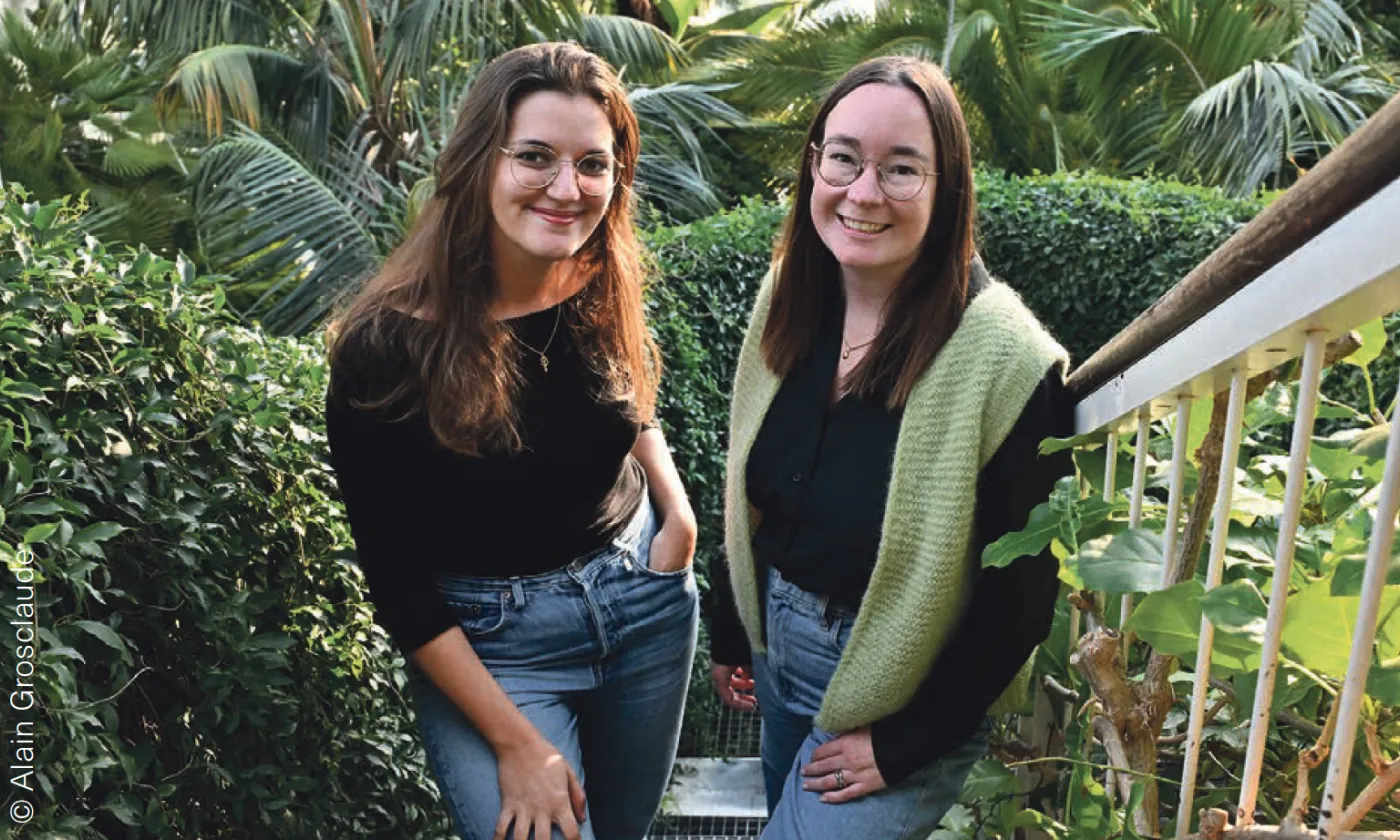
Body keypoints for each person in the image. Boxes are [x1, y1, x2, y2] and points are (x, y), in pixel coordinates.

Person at [324, 43, 699, 840]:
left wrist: (678, 514)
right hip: (497, 651)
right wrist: (515, 743)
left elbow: (628, 398)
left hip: (644, 606)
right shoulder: (385, 347)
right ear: (478, 162)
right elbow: (397, 583)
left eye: (593, 165)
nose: (568, 190)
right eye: (535, 157)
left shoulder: (596, 273)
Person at [707, 55, 1075, 838]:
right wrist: (733, 623)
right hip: (779, 653)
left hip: (901, 690)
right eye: (843, 157)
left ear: (947, 190)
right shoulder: (789, 297)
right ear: (815, 165)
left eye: (902, 168)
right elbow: (753, 480)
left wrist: (905, 743)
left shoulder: (1006, 360)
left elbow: (1022, 595)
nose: (863, 192)